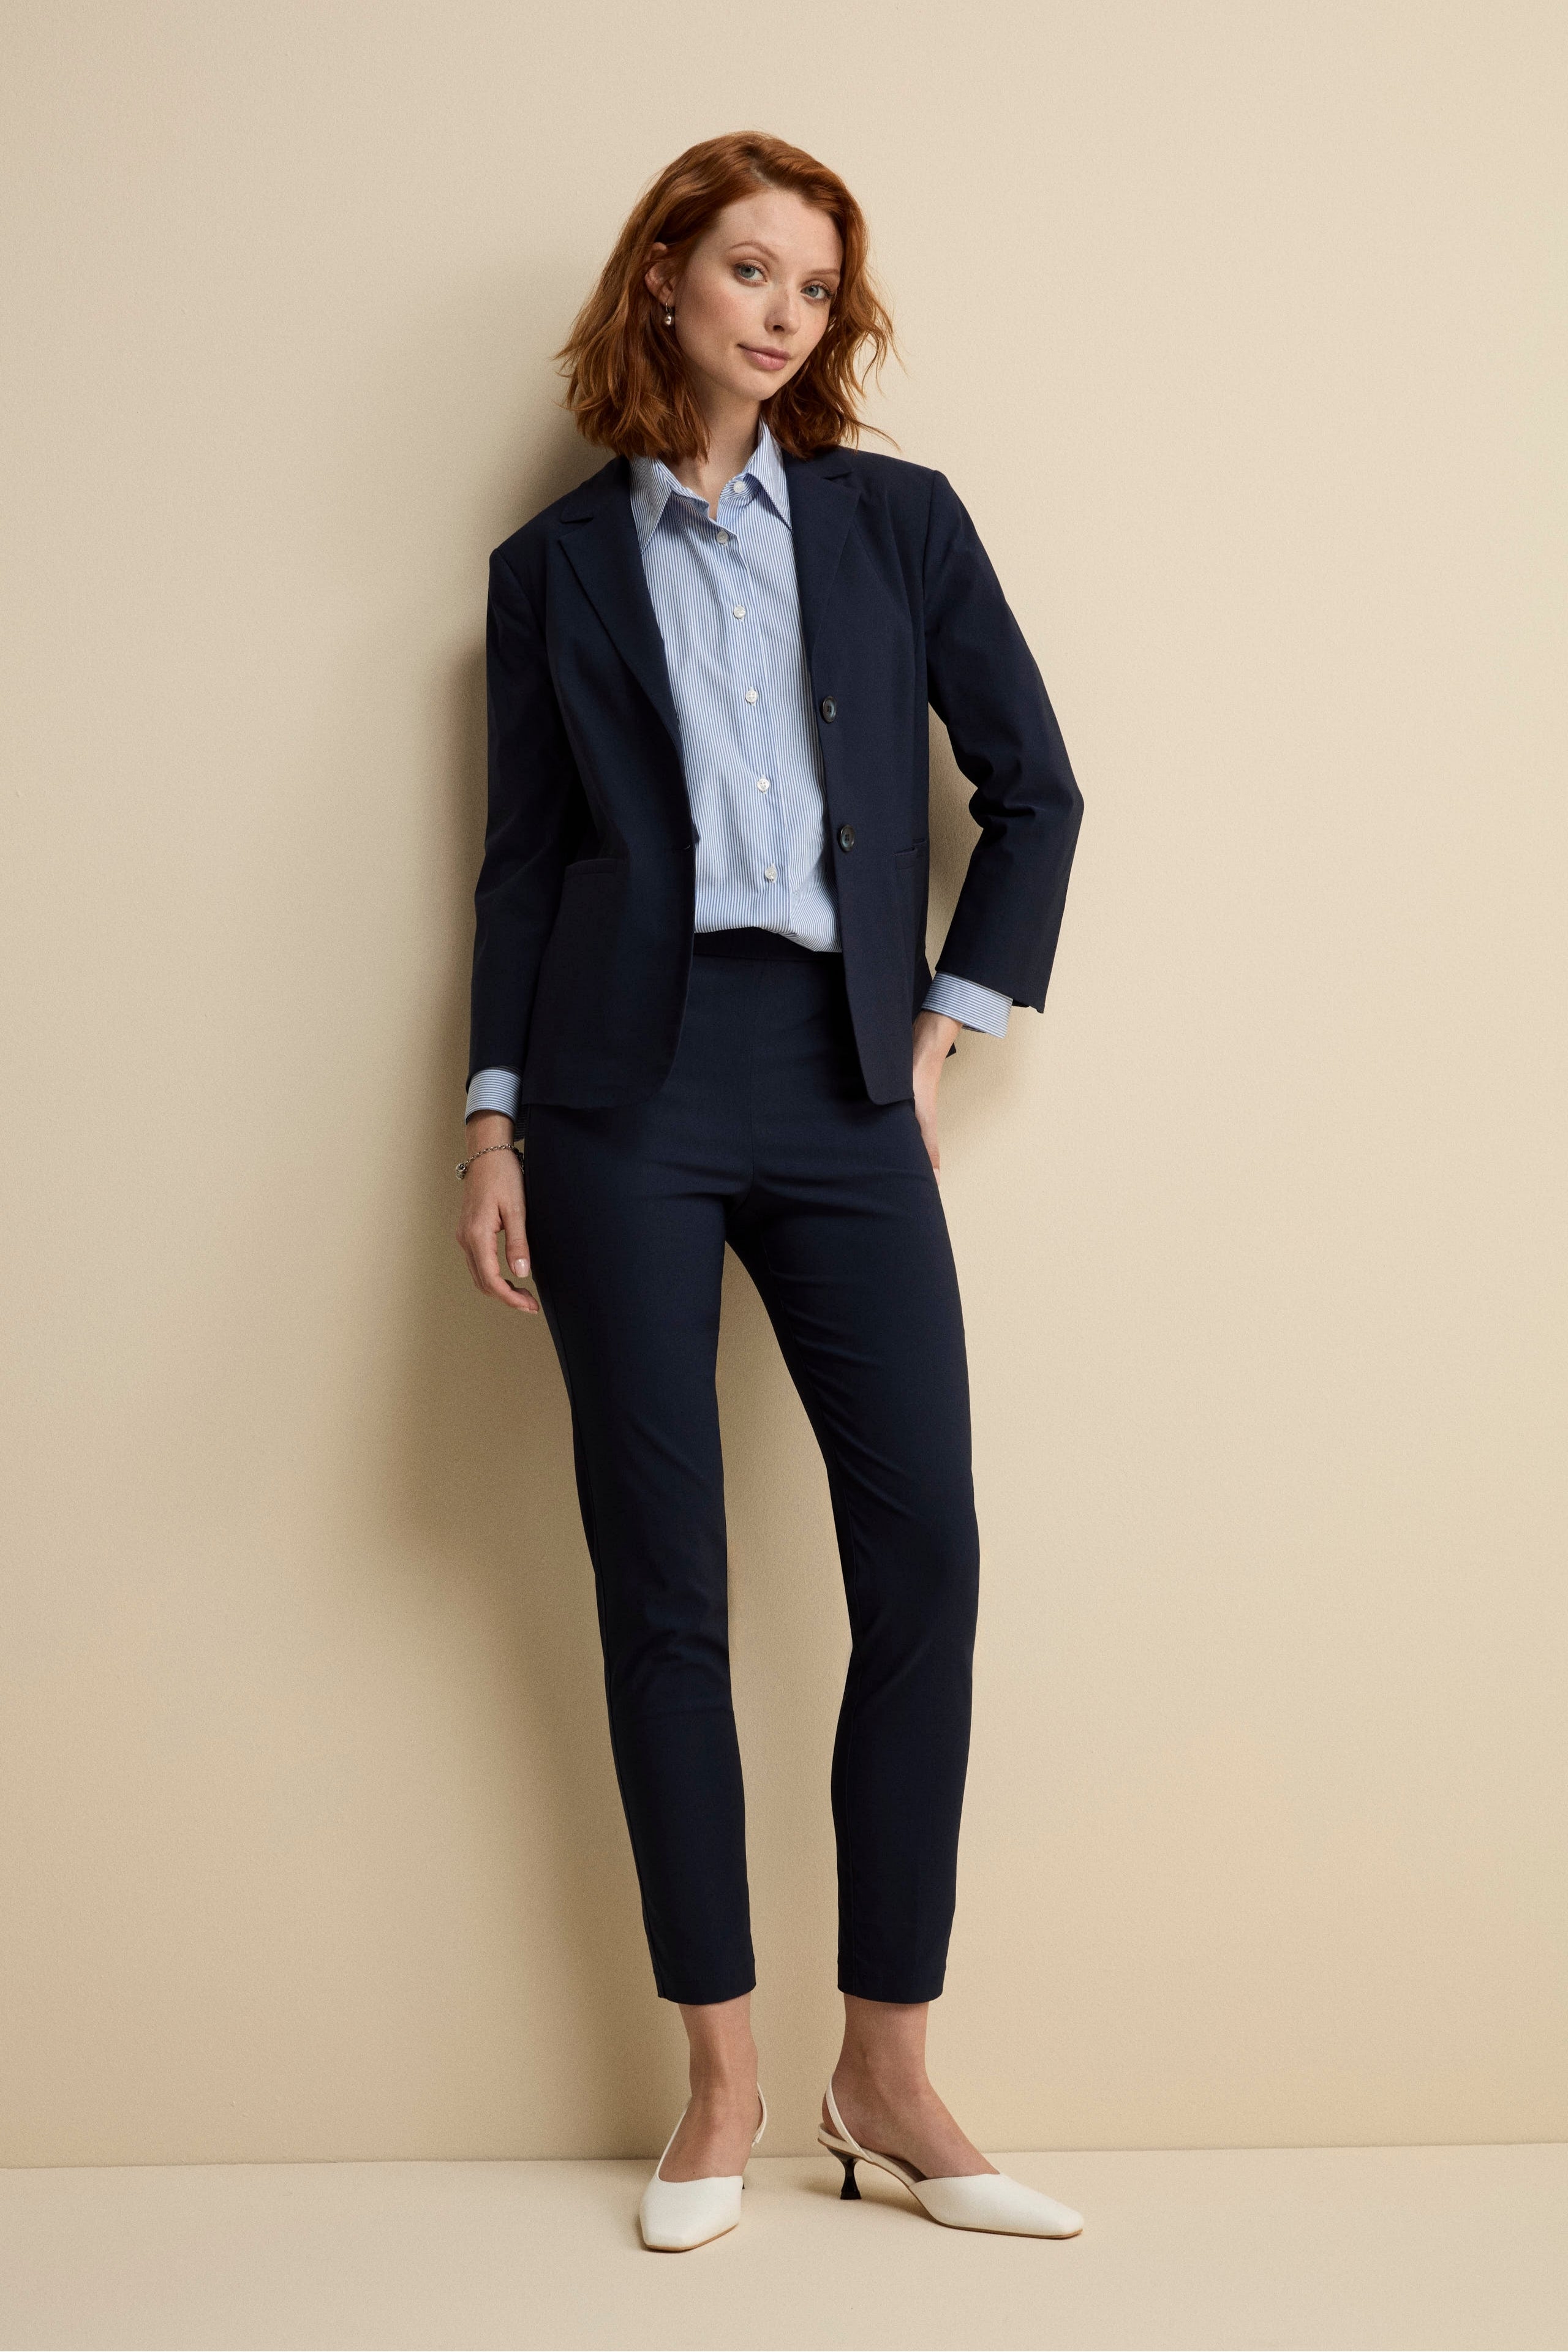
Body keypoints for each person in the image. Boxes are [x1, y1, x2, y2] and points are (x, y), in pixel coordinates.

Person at [454, 131, 1085, 2251]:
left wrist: (943, 1027)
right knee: (668, 1587)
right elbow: (522, 867)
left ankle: (884, 2072)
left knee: (928, 1558)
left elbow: (1036, 790)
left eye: (816, 287)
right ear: (664, 277)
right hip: (619, 1099)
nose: (786, 314)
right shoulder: (552, 567)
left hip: (838, 1083)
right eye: (751, 270)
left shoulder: (900, 523)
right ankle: (718, 2084)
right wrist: (492, 1123)